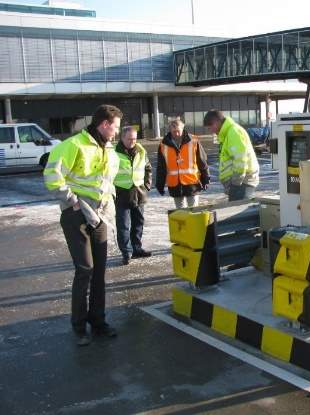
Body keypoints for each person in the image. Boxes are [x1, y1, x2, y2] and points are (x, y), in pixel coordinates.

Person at [43, 104, 122, 345]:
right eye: (116, 127)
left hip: (99, 216)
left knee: (99, 271)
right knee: (85, 269)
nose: (117, 132)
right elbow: (52, 174)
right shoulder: (74, 145)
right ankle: (79, 327)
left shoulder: (109, 149)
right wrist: (72, 201)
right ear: (105, 124)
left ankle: (98, 321)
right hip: (76, 215)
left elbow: (107, 182)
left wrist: (109, 205)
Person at [114, 126, 152, 265]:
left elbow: (148, 168)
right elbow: (107, 173)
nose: (132, 141)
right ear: (122, 138)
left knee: (138, 223)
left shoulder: (141, 150)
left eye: (135, 138)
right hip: (121, 194)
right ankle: (126, 252)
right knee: (123, 225)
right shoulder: (113, 152)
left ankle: (137, 249)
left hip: (139, 193)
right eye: (129, 139)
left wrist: (147, 185)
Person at [203, 110, 259, 201]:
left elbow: (240, 159)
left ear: (216, 122)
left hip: (241, 183)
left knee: (238, 211)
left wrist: (235, 184)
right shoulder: (228, 133)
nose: (211, 131)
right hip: (239, 183)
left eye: (210, 127)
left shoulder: (233, 132)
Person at [156, 118, 209, 208]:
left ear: (183, 128)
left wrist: (206, 178)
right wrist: (159, 184)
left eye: (178, 131)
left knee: (193, 211)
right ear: (170, 130)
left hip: (192, 183)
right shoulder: (163, 145)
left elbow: (202, 161)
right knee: (180, 212)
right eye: (173, 131)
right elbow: (161, 167)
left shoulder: (193, 141)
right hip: (175, 185)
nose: (176, 134)